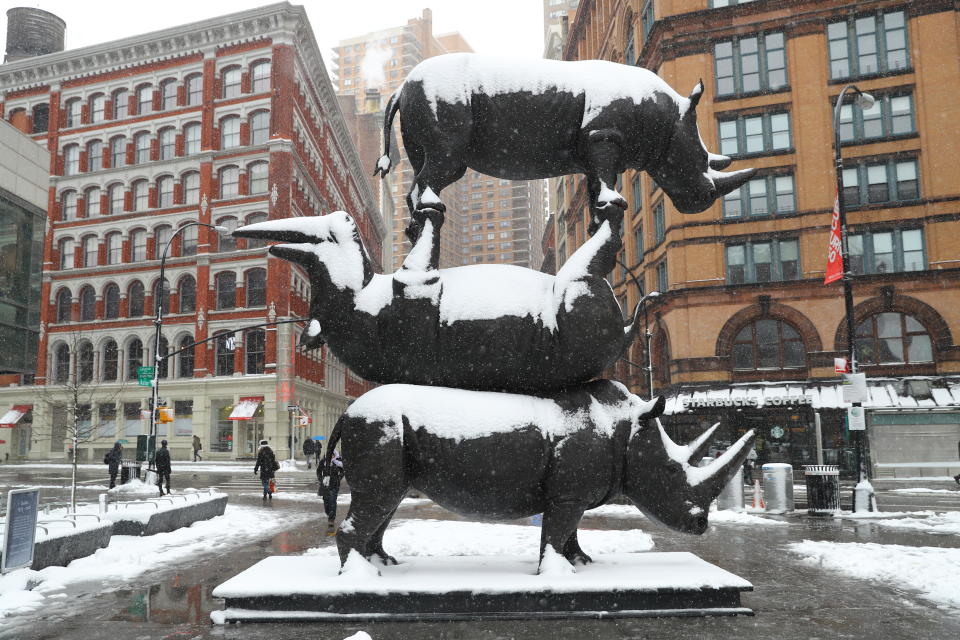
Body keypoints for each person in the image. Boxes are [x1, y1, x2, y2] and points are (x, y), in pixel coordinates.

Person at [318, 448, 344, 533]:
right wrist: (321, 479)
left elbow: (343, 471)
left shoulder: (338, 462)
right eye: (330, 454)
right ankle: (329, 513)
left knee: (332, 501)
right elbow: (318, 471)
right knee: (326, 502)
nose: (331, 456)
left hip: (334, 484)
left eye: (333, 454)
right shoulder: (324, 462)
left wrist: (338, 478)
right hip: (325, 485)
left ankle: (331, 520)